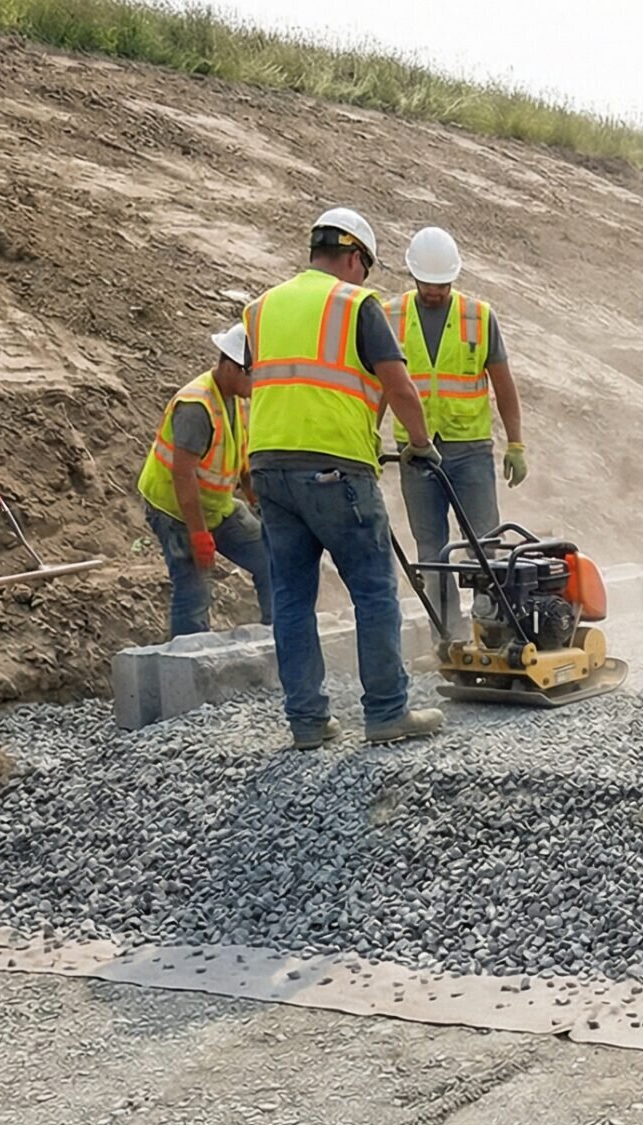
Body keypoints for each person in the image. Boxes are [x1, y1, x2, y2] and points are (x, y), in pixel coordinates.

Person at [243, 206, 446, 750]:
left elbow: (268, 384)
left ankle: (307, 723)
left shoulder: (260, 308)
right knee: (374, 589)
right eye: (367, 267)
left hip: (268, 466)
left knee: (291, 599)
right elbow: (399, 387)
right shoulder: (356, 303)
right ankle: (386, 712)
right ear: (356, 258)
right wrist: (421, 446)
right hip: (335, 468)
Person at [387, 226, 525, 629]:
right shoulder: (389, 315)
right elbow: (380, 385)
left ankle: (492, 625)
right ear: (413, 276)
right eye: (427, 284)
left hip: (470, 450)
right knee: (431, 548)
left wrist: (516, 443)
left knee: (484, 542)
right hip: (416, 452)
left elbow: (503, 384)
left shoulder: (479, 317)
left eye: (442, 284)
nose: (434, 292)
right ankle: (446, 634)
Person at [139, 323, 271, 639]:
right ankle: (189, 665)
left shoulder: (237, 398)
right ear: (229, 366)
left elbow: (241, 459)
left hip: (217, 507)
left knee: (271, 560)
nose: (255, 382)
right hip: (174, 510)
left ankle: (279, 641)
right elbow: (182, 474)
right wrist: (199, 535)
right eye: (251, 373)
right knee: (193, 589)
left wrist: (257, 502)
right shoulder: (196, 407)